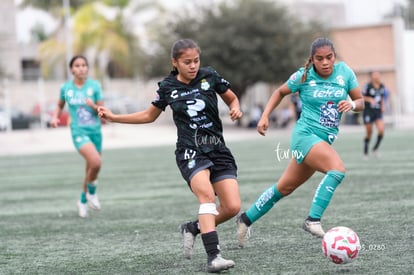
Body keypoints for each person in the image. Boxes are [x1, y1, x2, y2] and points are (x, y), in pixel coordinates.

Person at [96, 39, 242, 273]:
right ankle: (213, 257)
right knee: (206, 197)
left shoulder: (210, 76)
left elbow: (232, 98)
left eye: (196, 61)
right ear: (175, 62)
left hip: (217, 148)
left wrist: (235, 107)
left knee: (232, 206)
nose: (193, 66)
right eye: (187, 62)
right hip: (190, 150)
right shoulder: (167, 87)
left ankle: (193, 228)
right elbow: (148, 115)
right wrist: (114, 117)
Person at [236, 37, 364, 248]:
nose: (325, 63)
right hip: (305, 136)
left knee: (284, 188)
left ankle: (246, 218)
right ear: (312, 59)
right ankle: (312, 220)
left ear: (334, 57)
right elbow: (279, 92)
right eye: (319, 59)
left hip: (323, 141)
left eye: (329, 57)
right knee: (337, 170)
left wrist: (351, 104)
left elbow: (361, 102)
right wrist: (265, 116)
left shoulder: (345, 73)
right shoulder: (304, 75)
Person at [50, 55, 103, 218]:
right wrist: (55, 117)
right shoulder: (66, 88)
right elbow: (59, 105)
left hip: (95, 132)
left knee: (90, 169)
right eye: (77, 65)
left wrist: (93, 105)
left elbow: (101, 111)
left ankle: (81, 201)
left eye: (84, 65)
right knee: (95, 162)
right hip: (78, 132)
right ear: (71, 69)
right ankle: (92, 193)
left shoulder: (94, 86)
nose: (81, 68)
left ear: (87, 68)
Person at [362, 70, 387, 159]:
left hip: (378, 112)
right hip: (368, 112)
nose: (377, 76)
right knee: (369, 133)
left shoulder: (382, 86)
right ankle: (365, 152)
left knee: (381, 130)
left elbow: (382, 97)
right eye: (375, 74)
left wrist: (383, 106)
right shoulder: (367, 86)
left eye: (378, 74)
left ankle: (375, 148)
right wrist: (369, 99)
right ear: (371, 76)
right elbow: (361, 97)